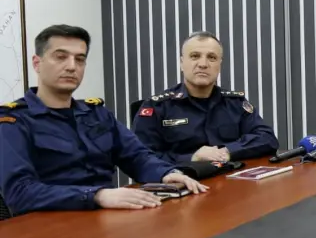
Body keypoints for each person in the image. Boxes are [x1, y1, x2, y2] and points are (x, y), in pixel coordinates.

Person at [0, 25, 206, 215]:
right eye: (61, 57)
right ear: (37, 63)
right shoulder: (13, 121)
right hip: (50, 226)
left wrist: (166, 173)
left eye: (79, 59)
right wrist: (96, 196)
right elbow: (19, 193)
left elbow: (136, 156)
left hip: (106, 217)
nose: (71, 66)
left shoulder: (96, 113)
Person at [132, 31, 279, 164]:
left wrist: (227, 151)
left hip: (230, 179)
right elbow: (141, 158)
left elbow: (267, 138)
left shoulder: (235, 103)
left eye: (212, 58)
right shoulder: (156, 107)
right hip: (181, 180)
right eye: (195, 56)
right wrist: (192, 158)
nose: (203, 64)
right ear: (182, 63)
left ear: (219, 65)